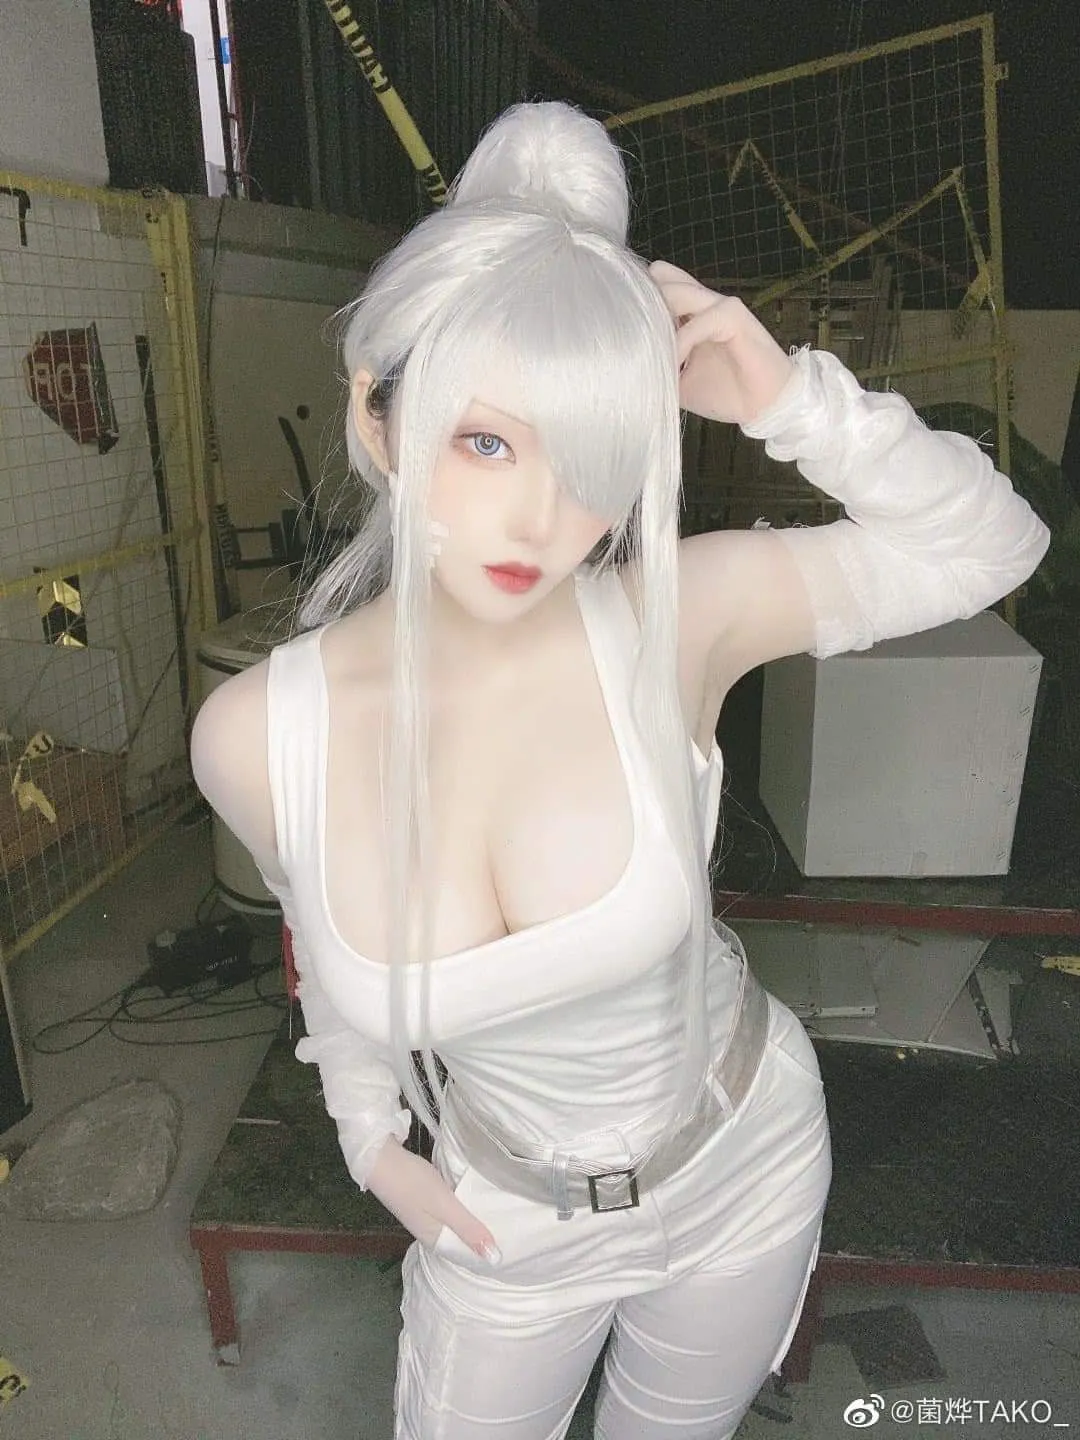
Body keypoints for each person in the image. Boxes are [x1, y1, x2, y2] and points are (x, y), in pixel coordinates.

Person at [191, 102, 1050, 1439]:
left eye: (593, 457)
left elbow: (990, 545)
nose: (542, 519)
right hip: (505, 1222)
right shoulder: (257, 733)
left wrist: (786, 398)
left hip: (742, 1167)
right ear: (377, 414)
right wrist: (370, 1140)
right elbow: (321, 939)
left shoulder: (671, 621)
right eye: (488, 441)